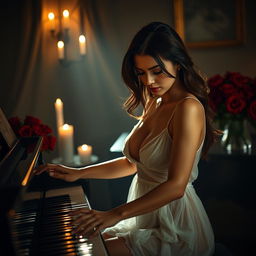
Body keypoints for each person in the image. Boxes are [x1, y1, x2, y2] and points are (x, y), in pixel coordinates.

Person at [35, 22, 220, 256]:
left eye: (157, 71)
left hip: (175, 226)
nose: (148, 81)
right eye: (141, 72)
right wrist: (79, 172)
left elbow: (176, 187)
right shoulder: (156, 100)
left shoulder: (188, 108)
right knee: (79, 241)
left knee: (91, 250)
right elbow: (132, 164)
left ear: (179, 63)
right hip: (143, 218)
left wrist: (114, 214)